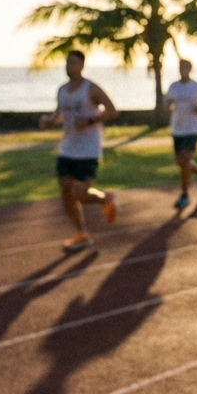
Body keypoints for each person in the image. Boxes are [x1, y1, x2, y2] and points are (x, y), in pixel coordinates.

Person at [39, 50, 120, 251]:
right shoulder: (62, 90)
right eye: (67, 62)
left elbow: (112, 111)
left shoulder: (90, 89)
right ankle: (82, 233)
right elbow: (59, 113)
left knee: (80, 194)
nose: (69, 66)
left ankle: (105, 199)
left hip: (88, 149)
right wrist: (49, 121)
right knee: (66, 193)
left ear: (82, 65)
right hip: (67, 148)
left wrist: (90, 120)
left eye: (73, 62)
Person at [163, 58, 197, 210]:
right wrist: (167, 108)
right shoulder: (174, 86)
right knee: (181, 162)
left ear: (190, 69)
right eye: (180, 67)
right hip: (177, 128)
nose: (182, 70)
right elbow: (167, 104)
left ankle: (184, 195)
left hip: (193, 128)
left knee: (185, 159)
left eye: (185, 67)